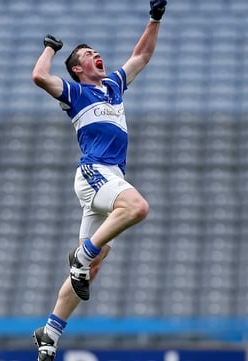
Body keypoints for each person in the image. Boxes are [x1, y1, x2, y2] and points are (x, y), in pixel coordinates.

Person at [30, 1, 167, 360]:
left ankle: (50, 332)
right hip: (95, 172)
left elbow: (142, 55)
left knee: (92, 269)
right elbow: (39, 77)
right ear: (78, 68)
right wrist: (50, 47)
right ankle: (82, 253)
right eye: (90, 54)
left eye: (97, 52)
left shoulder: (114, 86)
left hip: (110, 178)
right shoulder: (76, 93)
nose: (98, 55)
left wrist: (154, 19)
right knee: (137, 207)